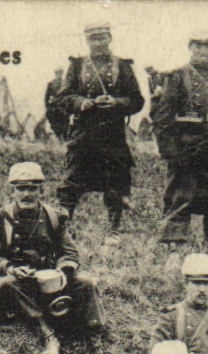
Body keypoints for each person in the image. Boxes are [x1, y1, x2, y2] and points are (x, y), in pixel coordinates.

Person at [0, 161, 105, 354]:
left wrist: (63, 271)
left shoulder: (54, 217)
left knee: (86, 283)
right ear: (13, 191)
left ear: (41, 190)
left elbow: (70, 252)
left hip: (51, 281)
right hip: (20, 282)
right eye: (21, 189)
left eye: (32, 188)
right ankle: (48, 335)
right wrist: (11, 268)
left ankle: (95, 344)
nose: (26, 194)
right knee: (6, 283)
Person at [151, 31, 208, 251]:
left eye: (207, 45)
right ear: (190, 47)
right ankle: (174, 247)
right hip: (187, 150)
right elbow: (163, 118)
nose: (202, 50)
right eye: (198, 45)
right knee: (180, 198)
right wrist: (172, 152)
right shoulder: (177, 76)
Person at [56, 22, 145, 235]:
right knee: (71, 182)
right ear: (87, 41)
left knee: (115, 184)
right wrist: (81, 103)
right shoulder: (76, 66)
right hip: (84, 134)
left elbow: (137, 100)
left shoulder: (123, 67)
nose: (98, 43)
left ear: (109, 39)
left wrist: (116, 102)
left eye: (102, 37)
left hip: (113, 135)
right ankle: (63, 230)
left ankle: (113, 230)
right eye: (94, 38)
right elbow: (63, 98)